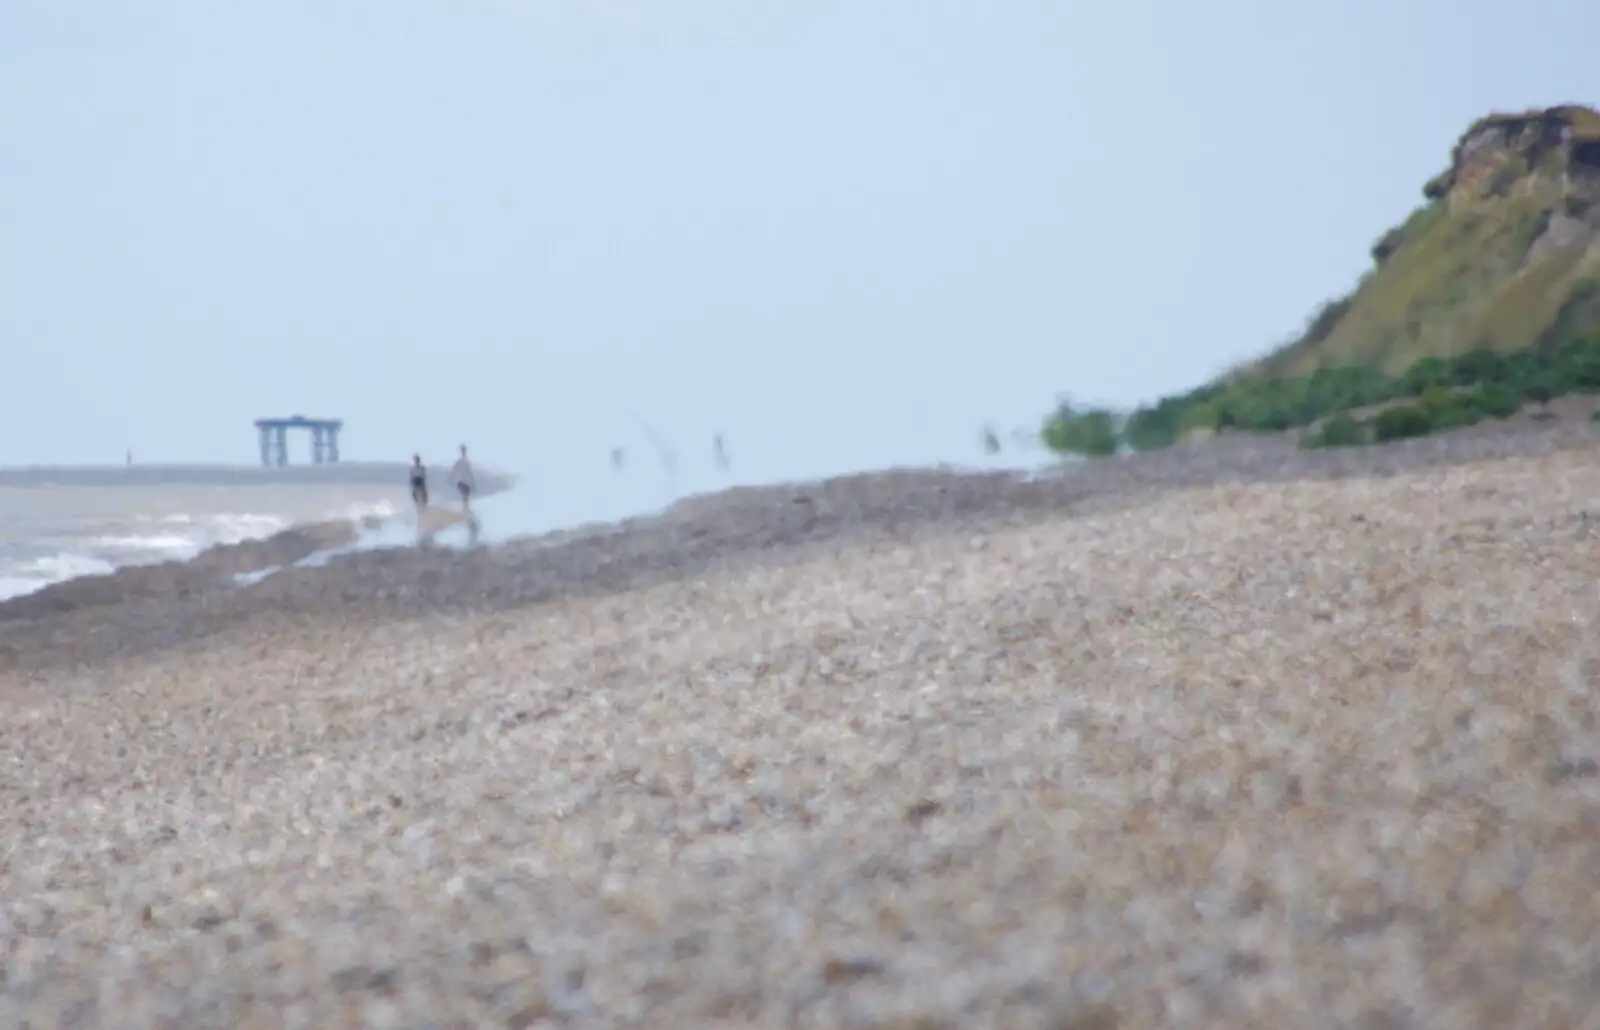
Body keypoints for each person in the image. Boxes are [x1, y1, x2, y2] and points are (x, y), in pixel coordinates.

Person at [450, 444, 477, 513]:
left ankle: (465, 507)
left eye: (464, 450)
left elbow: (470, 472)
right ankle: (465, 508)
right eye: (463, 450)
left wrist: (472, 482)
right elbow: (454, 471)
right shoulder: (461, 461)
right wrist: (454, 479)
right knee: (464, 495)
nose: (464, 451)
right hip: (462, 481)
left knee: (465, 496)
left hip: (465, 481)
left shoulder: (466, 461)